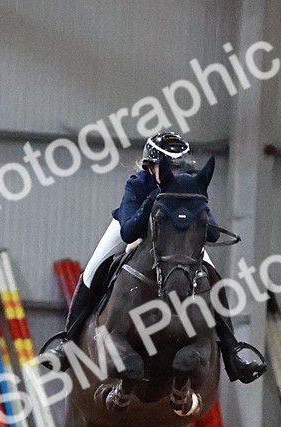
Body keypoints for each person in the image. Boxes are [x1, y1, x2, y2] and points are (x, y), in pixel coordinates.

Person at [40, 131, 266, 383]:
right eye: (170, 166)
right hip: (133, 230)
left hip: (175, 241)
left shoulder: (187, 185)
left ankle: (232, 352)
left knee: (213, 277)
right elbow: (128, 231)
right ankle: (68, 341)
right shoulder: (138, 184)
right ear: (152, 165)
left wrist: (200, 212)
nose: (177, 172)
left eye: (179, 166)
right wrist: (151, 201)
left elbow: (211, 234)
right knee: (93, 269)